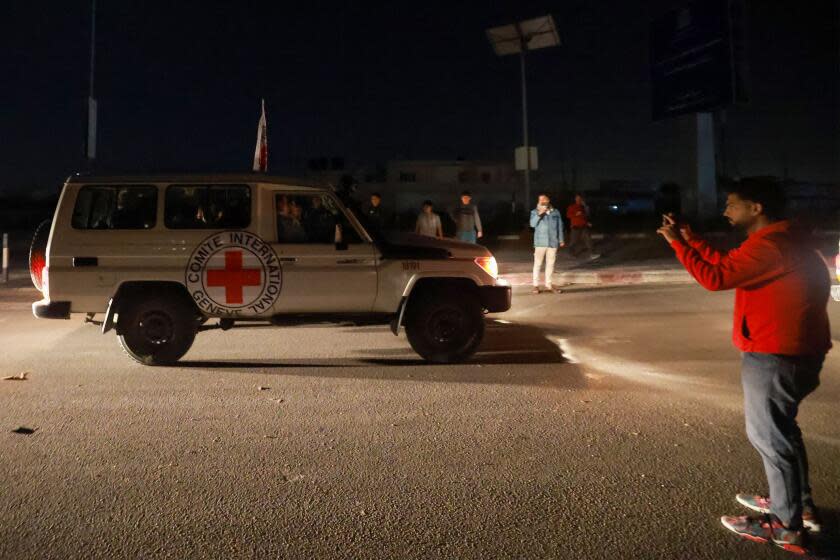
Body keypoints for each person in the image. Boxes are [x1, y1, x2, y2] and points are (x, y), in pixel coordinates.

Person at [657, 178, 830, 555]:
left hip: (777, 355)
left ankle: (786, 526)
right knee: (782, 432)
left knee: (770, 438)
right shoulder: (782, 240)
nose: (725, 210)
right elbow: (726, 264)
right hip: (793, 351)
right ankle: (798, 504)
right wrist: (690, 240)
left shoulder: (773, 246)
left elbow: (714, 277)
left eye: (732, 204)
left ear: (756, 208)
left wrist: (676, 245)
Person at [529, 193, 565, 294]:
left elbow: (559, 227)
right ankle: (535, 285)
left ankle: (549, 284)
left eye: (544, 200)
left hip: (553, 242)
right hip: (540, 243)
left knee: (550, 264)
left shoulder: (555, 212)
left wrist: (561, 240)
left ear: (548, 200)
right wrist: (540, 213)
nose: (543, 201)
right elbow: (532, 224)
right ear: (538, 202)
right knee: (538, 264)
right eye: (540, 200)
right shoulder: (534, 212)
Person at [566, 194, 596, 259]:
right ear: (575, 199)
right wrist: (575, 214)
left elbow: (586, 216)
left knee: (588, 240)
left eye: (580, 198)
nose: (579, 200)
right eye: (577, 198)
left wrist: (587, 222)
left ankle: (592, 254)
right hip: (575, 227)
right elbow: (568, 215)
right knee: (573, 241)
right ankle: (570, 254)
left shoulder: (583, 207)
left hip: (584, 226)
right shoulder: (572, 206)